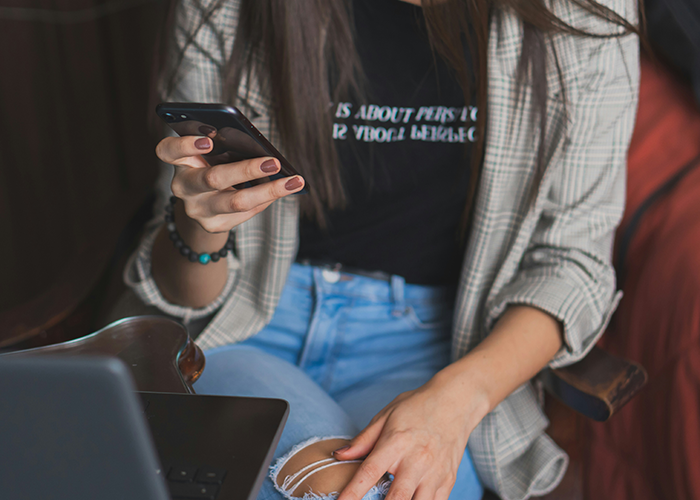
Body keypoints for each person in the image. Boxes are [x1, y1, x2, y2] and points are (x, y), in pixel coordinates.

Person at [122, 0, 641, 499]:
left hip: (441, 351)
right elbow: (184, 294)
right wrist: (203, 228)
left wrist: (459, 399)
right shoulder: (231, 6)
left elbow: (572, 262)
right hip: (249, 328)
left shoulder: (580, 13)